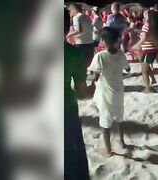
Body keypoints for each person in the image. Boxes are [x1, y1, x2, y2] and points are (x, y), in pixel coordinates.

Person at [88, 27, 130, 157]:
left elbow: (94, 77)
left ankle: (108, 150)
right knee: (119, 118)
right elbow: (127, 69)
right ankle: (122, 142)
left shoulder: (100, 56)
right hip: (119, 91)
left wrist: (88, 77)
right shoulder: (121, 54)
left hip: (106, 94)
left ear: (104, 40)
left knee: (105, 123)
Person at [64, 8, 90, 180]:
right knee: (71, 161)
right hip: (66, 110)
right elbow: (82, 92)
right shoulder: (73, 53)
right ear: (67, 28)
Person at [131, 10, 158, 93]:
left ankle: (147, 89)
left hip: (148, 51)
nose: (144, 14)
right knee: (145, 64)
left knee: (144, 71)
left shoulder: (146, 25)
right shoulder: (154, 26)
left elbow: (143, 38)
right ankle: (153, 79)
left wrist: (136, 45)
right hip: (153, 50)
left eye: (146, 13)